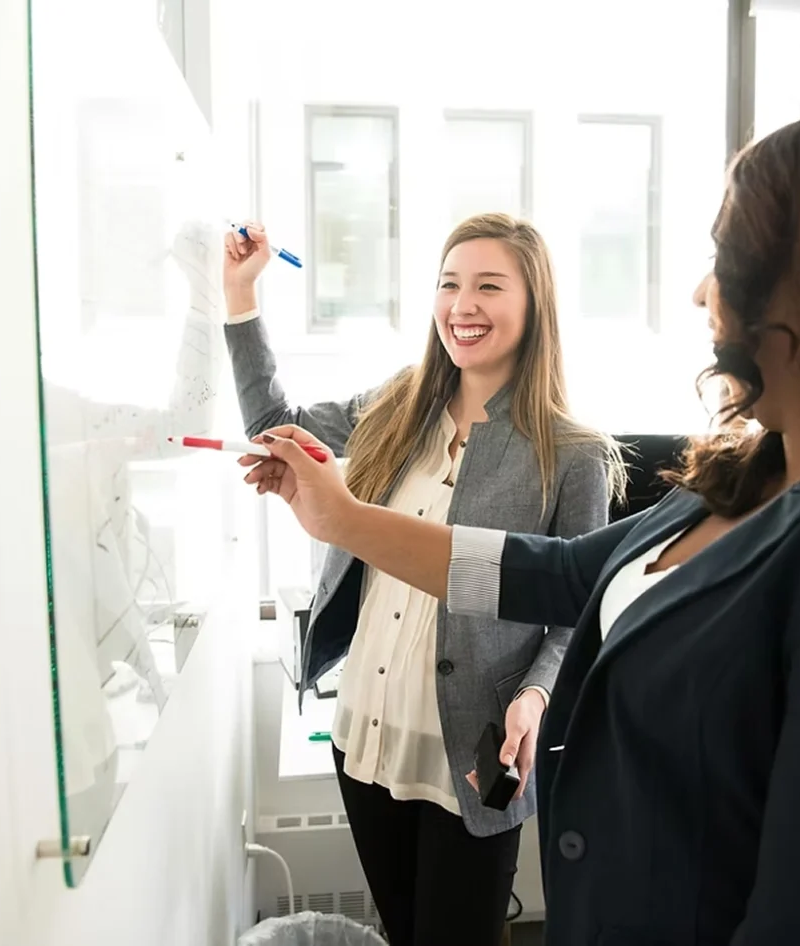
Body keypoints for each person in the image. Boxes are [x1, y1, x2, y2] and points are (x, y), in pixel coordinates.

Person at [238, 110, 800, 945]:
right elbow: (556, 574)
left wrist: (525, 694)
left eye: (725, 259)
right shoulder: (744, 474)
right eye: (451, 284)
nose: (702, 292)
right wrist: (340, 517)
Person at [222, 213, 625, 946]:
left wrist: (536, 697)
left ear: (534, 305)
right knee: (406, 930)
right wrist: (240, 297)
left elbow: (579, 608)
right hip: (366, 732)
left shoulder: (573, 453)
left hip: (476, 751)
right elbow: (274, 424)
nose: (461, 306)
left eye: (488, 287)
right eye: (449, 284)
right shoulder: (397, 404)